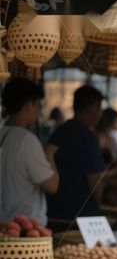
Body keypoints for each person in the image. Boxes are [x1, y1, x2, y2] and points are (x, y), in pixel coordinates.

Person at [0, 78, 58, 225]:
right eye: (38, 105)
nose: (38, 110)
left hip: (5, 226)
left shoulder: (3, 133)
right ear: (28, 105)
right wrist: (49, 154)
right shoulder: (26, 139)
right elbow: (52, 185)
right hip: (26, 231)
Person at [45, 85, 106, 221]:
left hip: (53, 210)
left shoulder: (60, 131)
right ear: (93, 107)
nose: (100, 113)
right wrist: (100, 204)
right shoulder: (87, 136)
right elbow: (93, 179)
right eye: (100, 108)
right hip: (81, 214)